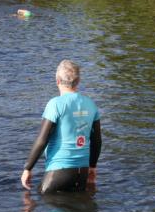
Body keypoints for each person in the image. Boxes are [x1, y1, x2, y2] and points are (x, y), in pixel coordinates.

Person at [22, 60, 102, 194]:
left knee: (37, 203)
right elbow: (97, 141)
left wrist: (27, 169)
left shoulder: (55, 104)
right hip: (82, 172)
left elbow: (42, 140)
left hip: (58, 171)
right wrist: (92, 167)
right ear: (78, 81)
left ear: (57, 80)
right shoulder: (91, 104)